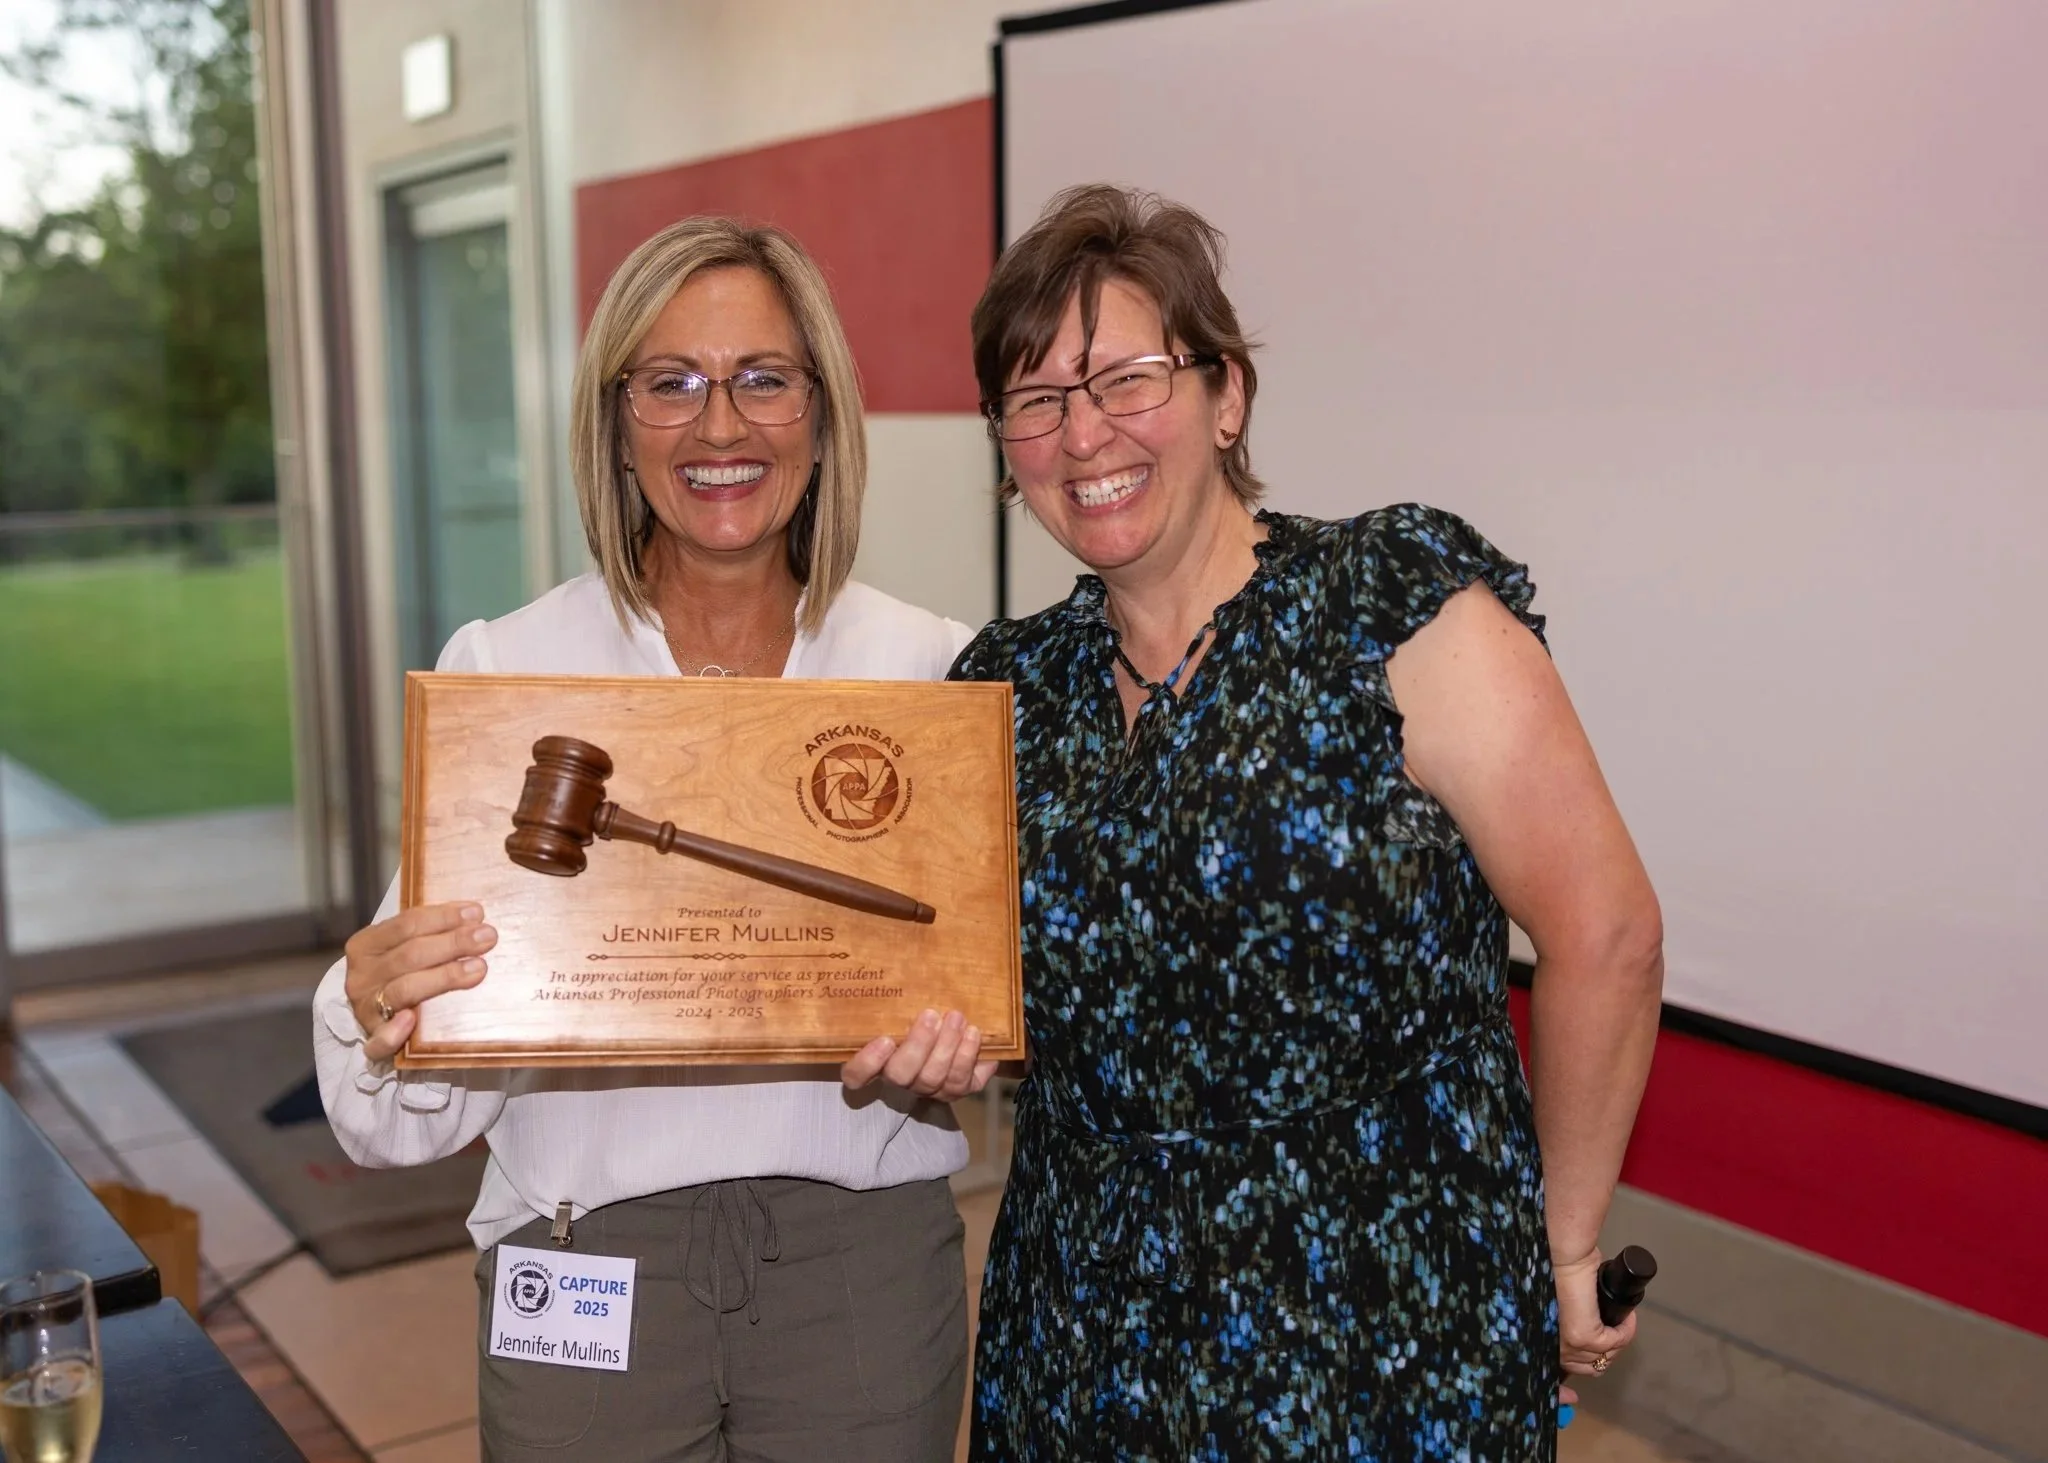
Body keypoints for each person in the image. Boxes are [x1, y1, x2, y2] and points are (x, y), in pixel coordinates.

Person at [946, 185, 1665, 1461]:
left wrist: (1562, 1240)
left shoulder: (1391, 607)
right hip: (1082, 1332)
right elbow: (989, 1005)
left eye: (1126, 377)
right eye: (1037, 398)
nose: (1083, 431)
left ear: (1226, 396)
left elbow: (1603, 930)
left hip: (1381, 1326)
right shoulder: (1002, 694)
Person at [314, 216, 988, 1463]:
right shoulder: (507, 671)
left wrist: (967, 1037)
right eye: (669, 382)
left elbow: (983, 1012)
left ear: (822, 412)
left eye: (762, 378)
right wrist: (378, 1006)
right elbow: (388, 1124)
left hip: (858, 1273)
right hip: (581, 1264)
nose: (718, 426)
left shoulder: (926, 672)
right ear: (616, 424)